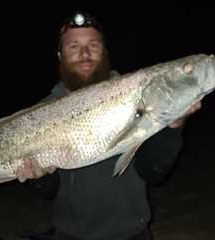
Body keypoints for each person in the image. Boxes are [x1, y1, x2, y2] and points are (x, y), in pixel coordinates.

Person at [17, 12, 201, 240]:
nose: (84, 54)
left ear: (105, 52)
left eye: (93, 45)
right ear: (60, 55)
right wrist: (37, 175)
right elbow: (48, 191)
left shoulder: (135, 97)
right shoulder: (39, 115)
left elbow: (153, 173)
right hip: (70, 234)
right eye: (74, 47)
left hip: (132, 233)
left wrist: (173, 126)